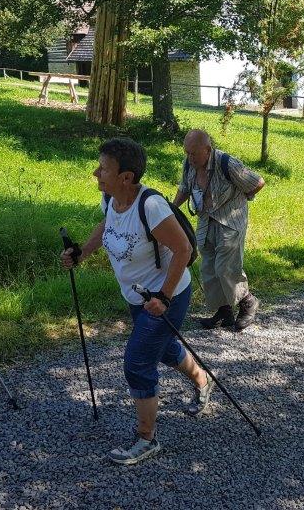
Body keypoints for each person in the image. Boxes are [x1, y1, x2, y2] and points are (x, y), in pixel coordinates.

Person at [61, 137, 212, 465]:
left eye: (103, 168)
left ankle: (147, 439)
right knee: (165, 349)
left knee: (138, 363)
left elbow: (184, 249)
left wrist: (164, 297)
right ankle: (201, 379)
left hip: (165, 294)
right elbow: (106, 226)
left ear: (126, 177)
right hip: (137, 296)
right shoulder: (111, 198)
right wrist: (82, 252)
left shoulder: (150, 206)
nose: (96, 173)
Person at [173, 129, 265, 331]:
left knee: (226, 268)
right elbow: (185, 188)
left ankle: (248, 302)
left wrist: (237, 202)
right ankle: (224, 312)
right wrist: (171, 209)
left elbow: (257, 182)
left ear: (207, 149)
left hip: (229, 222)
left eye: (194, 153)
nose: (190, 157)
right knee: (209, 268)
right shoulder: (189, 164)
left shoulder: (227, 163)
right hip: (206, 221)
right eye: (186, 152)